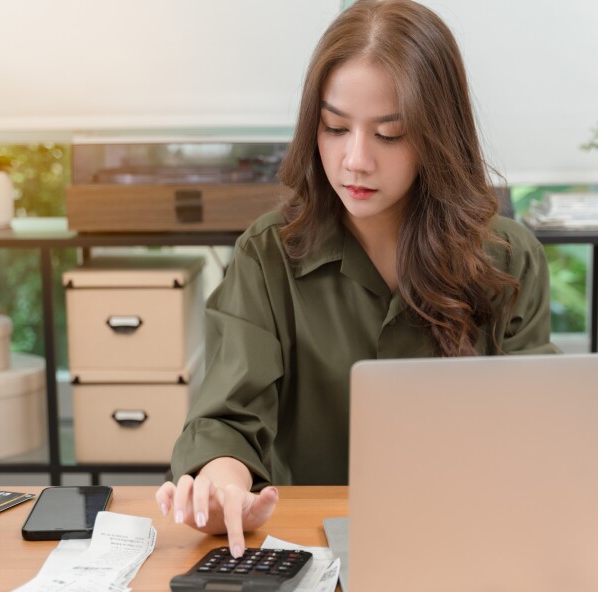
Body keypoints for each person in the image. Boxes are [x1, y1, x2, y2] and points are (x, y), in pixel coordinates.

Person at [156, 0, 558, 557]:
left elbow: (541, 424)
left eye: (390, 134)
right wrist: (222, 486)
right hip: (309, 549)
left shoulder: (508, 258)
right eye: (335, 128)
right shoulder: (268, 255)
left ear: (439, 136)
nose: (355, 160)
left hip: (469, 544)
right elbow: (228, 418)